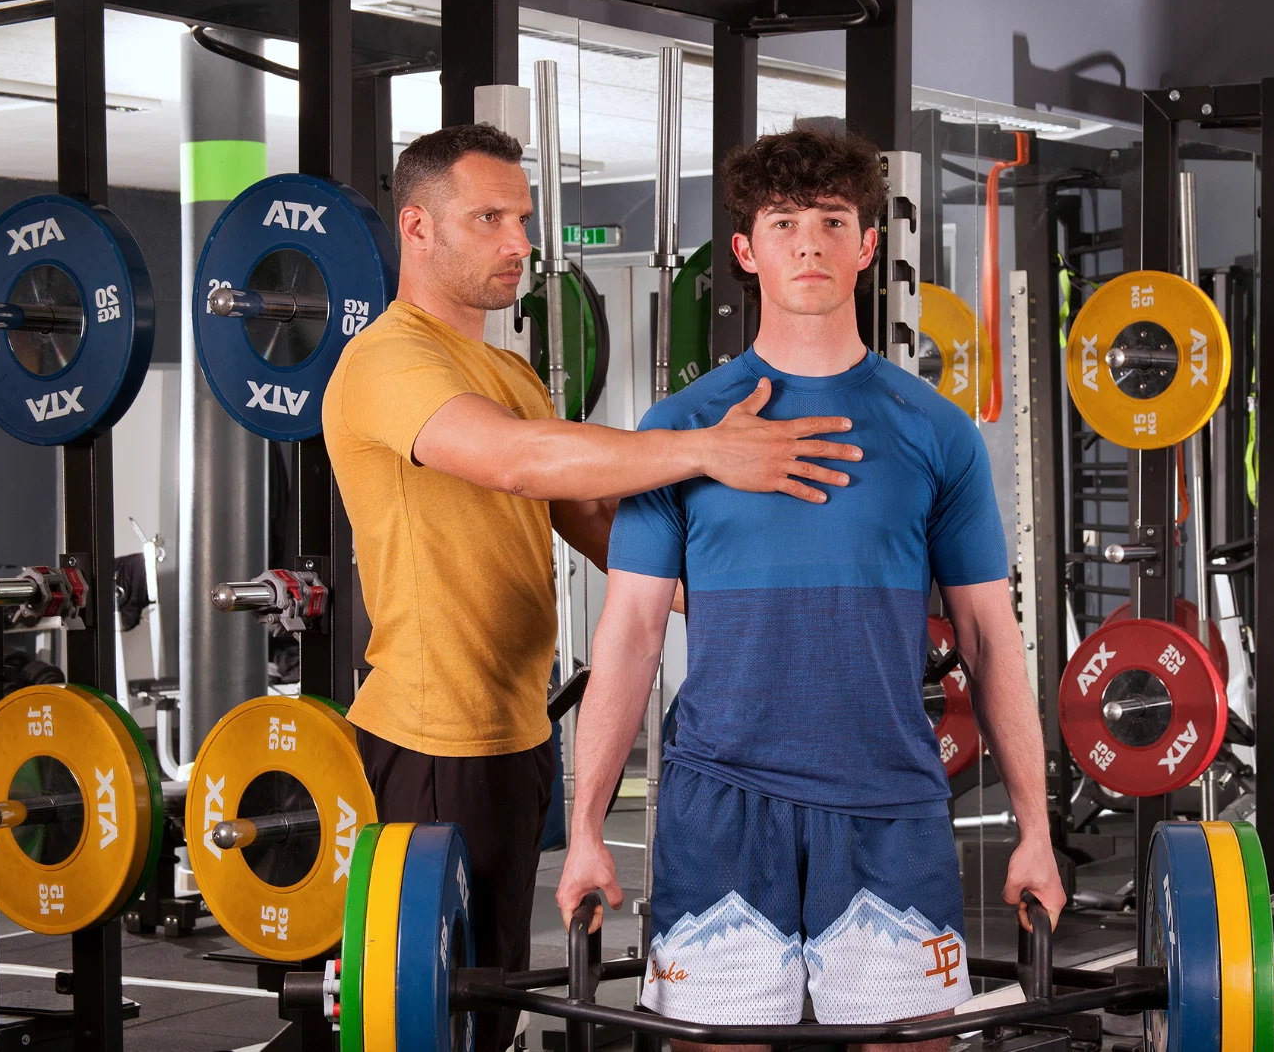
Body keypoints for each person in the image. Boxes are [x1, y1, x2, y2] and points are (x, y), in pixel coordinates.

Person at [320, 122, 862, 1052]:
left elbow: (587, 520)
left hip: (519, 732)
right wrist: (708, 450)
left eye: (522, 218)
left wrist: (732, 595)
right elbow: (521, 463)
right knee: (424, 1019)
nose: (519, 242)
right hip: (430, 736)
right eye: (488, 218)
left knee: (486, 1002)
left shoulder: (506, 368)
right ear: (417, 228)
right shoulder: (385, 360)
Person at [556, 127, 1065, 1048]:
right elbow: (628, 636)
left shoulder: (934, 432)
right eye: (783, 222)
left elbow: (991, 637)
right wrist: (586, 825)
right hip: (719, 804)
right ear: (745, 251)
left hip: (890, 802)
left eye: (833, 220)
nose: (809, 243)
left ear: (868, 244)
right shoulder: (681, 429)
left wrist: (1034, 826)